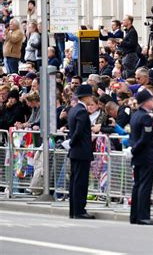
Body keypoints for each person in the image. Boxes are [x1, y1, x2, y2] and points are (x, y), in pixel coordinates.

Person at [126, 89, 153, 225]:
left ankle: (134, 215)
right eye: (151, 100)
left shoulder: (135, 115)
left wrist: (132, 149)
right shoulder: (145, 117)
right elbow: (145, 138)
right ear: (146, 102)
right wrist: (134, 150)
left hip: (138, 156)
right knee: (144, 186)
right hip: (145, 156)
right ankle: (143, 216)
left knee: (138, 185)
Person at [67, 84, 95, 219]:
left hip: (75, 151)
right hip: (81, 150)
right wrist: (72, 142)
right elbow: (78, 131)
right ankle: (79, 210)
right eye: (90, 96)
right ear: (86, 97)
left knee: (75, 181)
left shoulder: (74, 110)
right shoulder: (82, 111)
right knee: (80, 182)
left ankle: (74, 210)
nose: (92, 98)